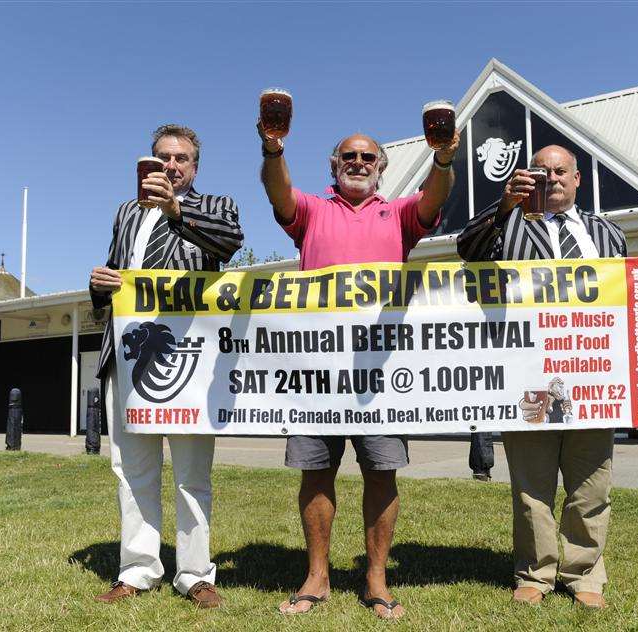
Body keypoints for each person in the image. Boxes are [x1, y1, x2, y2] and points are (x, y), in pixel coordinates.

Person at [457, 145, 638, 610]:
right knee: (531, 485)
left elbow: (628, 308)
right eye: (542, 171)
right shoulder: (510, 222)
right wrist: (503, 206)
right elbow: (467, 251)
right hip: (528, 376)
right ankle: (534, 572)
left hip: (593, 380)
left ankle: (584, 574)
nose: (551, 178)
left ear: (578, 179)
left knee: (591, 484)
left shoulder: (607, 233)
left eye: (561, 171)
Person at [258, 122, 459, 619]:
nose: (358, 163)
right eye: (349, 156)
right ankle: (316, 575)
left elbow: (434, 198)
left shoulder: (399, 213)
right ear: (333, 163)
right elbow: (277, 189)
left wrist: (443, 159)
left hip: (382, 372)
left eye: (368, 158)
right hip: (316, 370)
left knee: (381, 473)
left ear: (382, 167)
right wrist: (273, 148)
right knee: (315, 474)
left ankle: (376, 578)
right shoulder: (312, 210)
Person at [89, 124, 243, 608]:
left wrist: (175, 211)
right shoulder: (126, 213)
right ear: (149, 162)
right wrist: (99, 284)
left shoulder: (215, 206)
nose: (171, 166)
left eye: (181, 159)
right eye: (162, 158)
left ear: (194, 167)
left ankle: (195, 573)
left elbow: (228, 242)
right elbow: (118, 279)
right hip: (131, 355)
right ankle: (136, 569)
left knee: (192, 473)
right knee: (131, 468)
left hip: (190, 362)